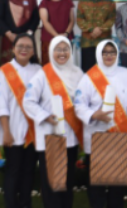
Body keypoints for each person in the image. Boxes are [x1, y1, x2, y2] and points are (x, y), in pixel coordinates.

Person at [23, 36, 83, 208]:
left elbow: (84, 99)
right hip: (50, 136)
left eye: (65, 49)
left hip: (70, 136)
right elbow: (28, 101)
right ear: (51, 52)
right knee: (51, 183)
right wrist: (45, 116)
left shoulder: (78, 73)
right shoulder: (42, 74)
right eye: (58, 49)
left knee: (67, 181)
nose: (62, 53)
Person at [74, 40, 127, 208]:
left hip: (120, 137)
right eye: (105, 52)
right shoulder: (88, 77)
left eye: (112, 52)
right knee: (97, 185)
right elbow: (78, 105)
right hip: (97, 137)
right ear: (99, 54)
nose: (109, 56)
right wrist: (95, 115)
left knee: (118, 185)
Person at [0, 34, 41, 208]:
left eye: (28, 47)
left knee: (29, 171)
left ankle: (25, 204)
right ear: (13, 48)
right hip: (12, 130)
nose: (24, 49)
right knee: (13, 172)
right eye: (20, 46)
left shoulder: (38, 70)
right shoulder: (5, 71)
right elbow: (1, 104)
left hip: (33, 132)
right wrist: (6, 131)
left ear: (33, 51)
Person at [0, 0, 40, 65]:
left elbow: (36, 18)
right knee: (7, 64)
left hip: (26, 37)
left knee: (27, 62)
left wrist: (29, 33)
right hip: (8, 37)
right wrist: (9, 34)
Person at [76, 0, 117, 72]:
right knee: (88, 72)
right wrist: (92, 29)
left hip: (104, 43)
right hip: (87, 43)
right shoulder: (82, 2)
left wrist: (100, 29)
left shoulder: (109, 2)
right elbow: (79, 20)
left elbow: (111, 19)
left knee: (105, 71)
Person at [39, 0, 75, 66]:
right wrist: (57, 37)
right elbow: (45, 22)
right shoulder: (44, 2)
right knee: (49, 66)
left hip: (66, 38)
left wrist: (66, 34)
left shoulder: (67, 1)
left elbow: (72, 20)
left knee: (66, 65)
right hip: (49, 39)